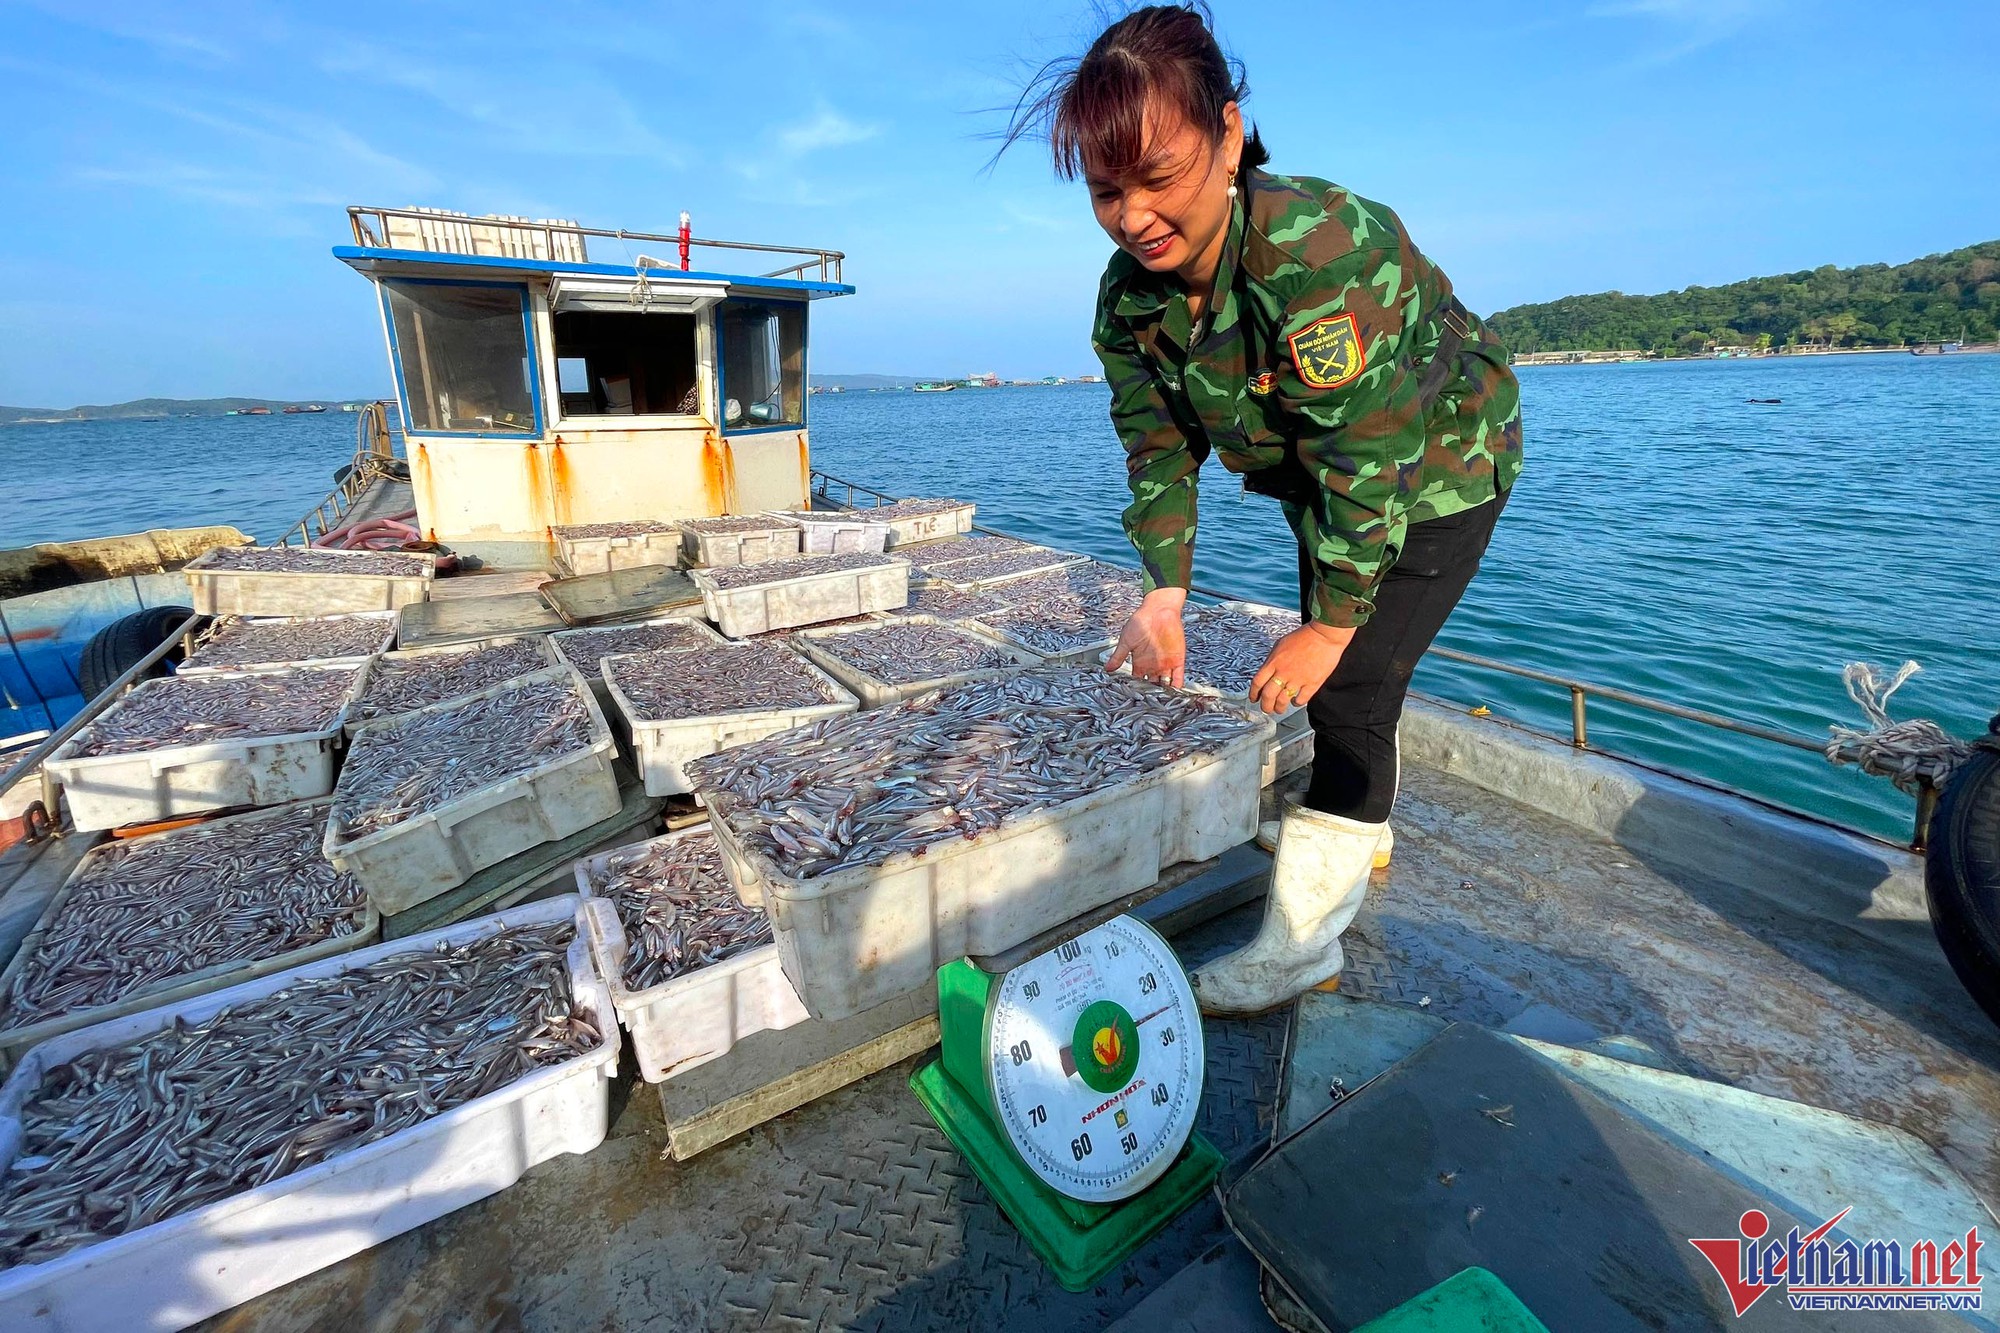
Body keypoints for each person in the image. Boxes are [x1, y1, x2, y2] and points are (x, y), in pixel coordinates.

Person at [1004, 4, 1523, 1015]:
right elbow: (1156, 444)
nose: (1132, 216)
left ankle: (1297, 946)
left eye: (1157, 178)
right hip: (1325, 486)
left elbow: (1362, 459)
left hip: (1438, 468)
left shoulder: (1321, 250)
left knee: (1350, 682)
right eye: (1107, 192)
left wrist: (1329, 625)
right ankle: (1357, 823)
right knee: (1349, 674)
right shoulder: (1127, 301)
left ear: (1228, 135)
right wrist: (1161, 592)